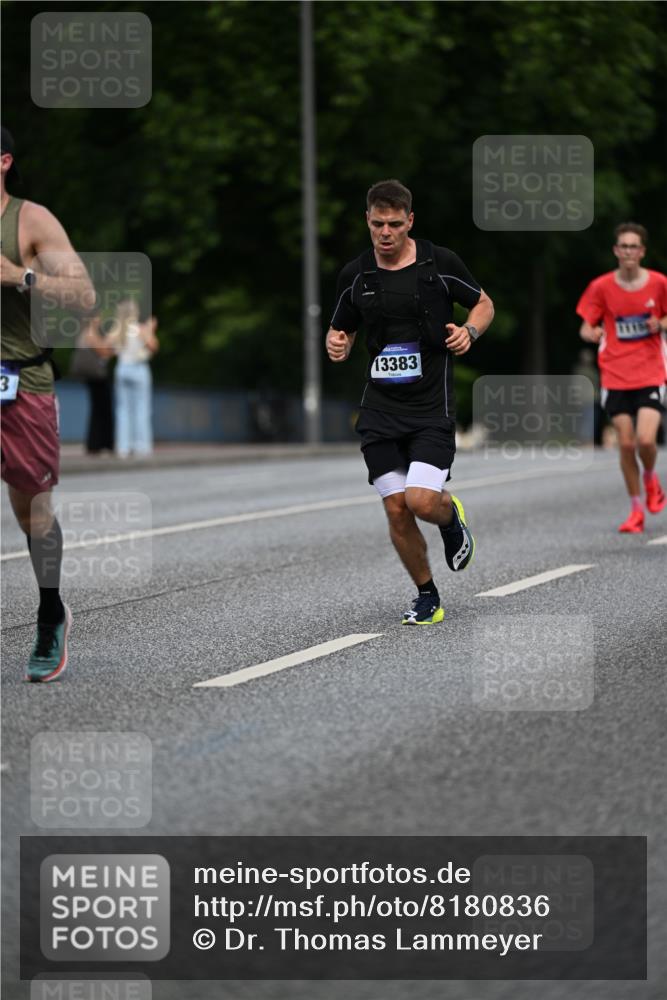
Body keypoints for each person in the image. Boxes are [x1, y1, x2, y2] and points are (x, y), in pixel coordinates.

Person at [326, 179, 494, 624]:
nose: (385, 233)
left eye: (395, 224)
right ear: (367, 220)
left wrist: (469, 331)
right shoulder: (355, 275)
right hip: (380, 410)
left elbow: (484, 304)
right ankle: (427, 595)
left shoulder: (440, 263)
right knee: (396, 506)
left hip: (430, 409)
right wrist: (336, 342)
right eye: (378, 224)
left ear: (410, 221)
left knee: (421, 501)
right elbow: (341, 327)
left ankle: (449, 516)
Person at [1, 126, 94, 680]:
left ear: (5, 161)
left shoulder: (30, 220)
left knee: (30, 509)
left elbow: (83, 295)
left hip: (21, 382)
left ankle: (50, 611)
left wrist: (21, 275)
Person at [576, 222, 667, 533]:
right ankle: (636, 510)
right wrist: (591, 331)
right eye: (623, 246)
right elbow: (586, 325)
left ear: (642, 251)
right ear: (616, 251)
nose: (628, 251)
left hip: (650, 371)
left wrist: (661, 322)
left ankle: (651, 478)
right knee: (626, 445)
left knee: (645, 440)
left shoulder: (658, 283)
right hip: (615, 374)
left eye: (634, 246)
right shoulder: (601, 287)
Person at [107, 298, 158, 458]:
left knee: (122, 410)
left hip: (122, 368)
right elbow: (153, 346)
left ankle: (123, 447)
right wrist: (151, 330)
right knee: (142, 408)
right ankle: (141, 447)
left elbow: (108, 348)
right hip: (138, 368)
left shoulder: (116, 331)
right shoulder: (139, 329)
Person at [69, 314, 115, 454]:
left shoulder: (83, 333)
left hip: (91, 377)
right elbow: (104, 352)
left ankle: (95, 443)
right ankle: (99, 443)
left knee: (97, 408)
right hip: (97, 377)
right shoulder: (90, 333)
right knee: (102, 409)